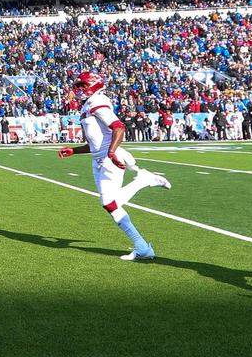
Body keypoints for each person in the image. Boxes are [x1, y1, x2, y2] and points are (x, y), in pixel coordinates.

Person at [57, 72, 171, 261]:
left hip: (109, 158)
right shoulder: (88, 104)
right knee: (110, 204)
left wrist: (111, 152)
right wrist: (74, 151)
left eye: (83, 86)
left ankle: (143, 184)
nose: (79, 90)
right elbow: (95, 143)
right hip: (99, 159)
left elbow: (118, 127)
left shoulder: (97, 101)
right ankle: (142, 247)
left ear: (93, 85)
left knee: (109, 203)